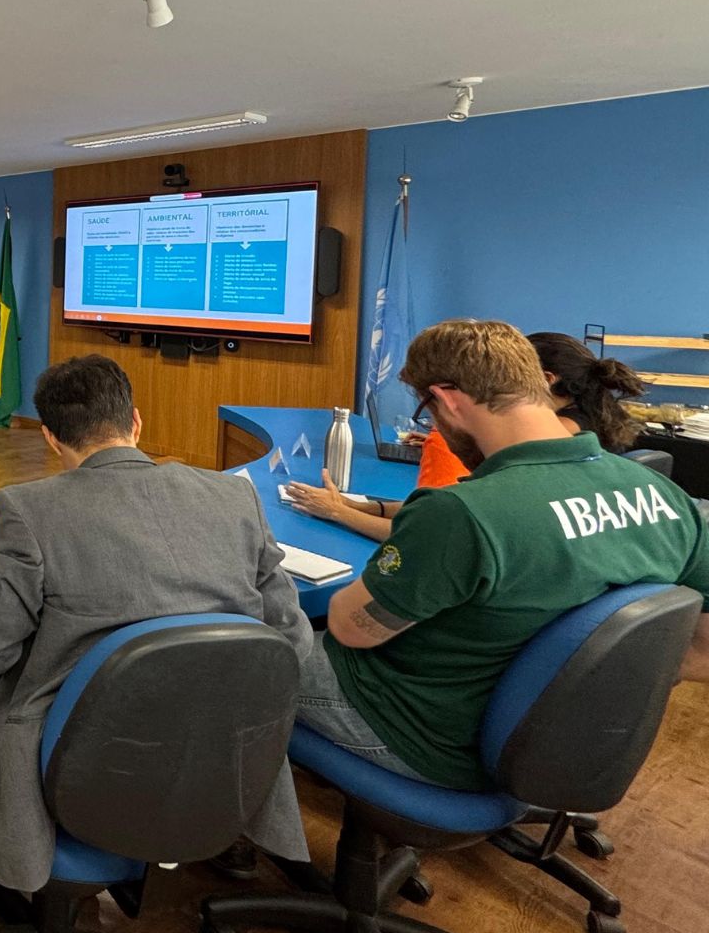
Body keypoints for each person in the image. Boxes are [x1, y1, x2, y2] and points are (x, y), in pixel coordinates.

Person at [0, 354, 314, 892]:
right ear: (136, 420)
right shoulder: (236, 497)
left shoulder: (28, 511)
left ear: (49, 437)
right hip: (216, 750)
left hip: (77, 764)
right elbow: (293, 644)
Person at [302, 319, 709, 793]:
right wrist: (567, 696)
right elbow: (701, 649)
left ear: (449, 398)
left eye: (427, 410)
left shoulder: (461, 514)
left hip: (423, 738)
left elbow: (353, 630)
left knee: (251, 648)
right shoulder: (665, 494)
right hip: (557, 749)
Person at [288, 331, 651, 542]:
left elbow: (438, 528)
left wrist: (339, 512)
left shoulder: (541, 454)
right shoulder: (587, 434)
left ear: (544, 379)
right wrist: (365, 506)